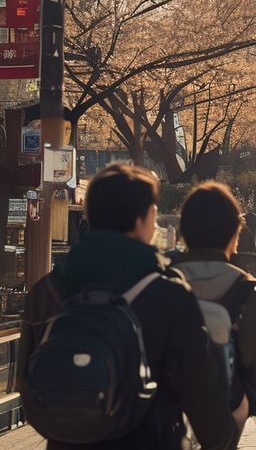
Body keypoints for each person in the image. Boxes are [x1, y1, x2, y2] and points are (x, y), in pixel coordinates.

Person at [18, 163, 239, 450]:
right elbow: (201, 397)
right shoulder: (169, 294)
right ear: (140, 220)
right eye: (153, 214)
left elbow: (27, 383)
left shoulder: (46, 291)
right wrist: (227, 431)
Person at [173, 181, 256, 423]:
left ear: (184, 231)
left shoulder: (159, 281)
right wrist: (253, 402)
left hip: (165, 417)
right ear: (235, 234)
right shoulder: (249, 290)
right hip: (224, 415)